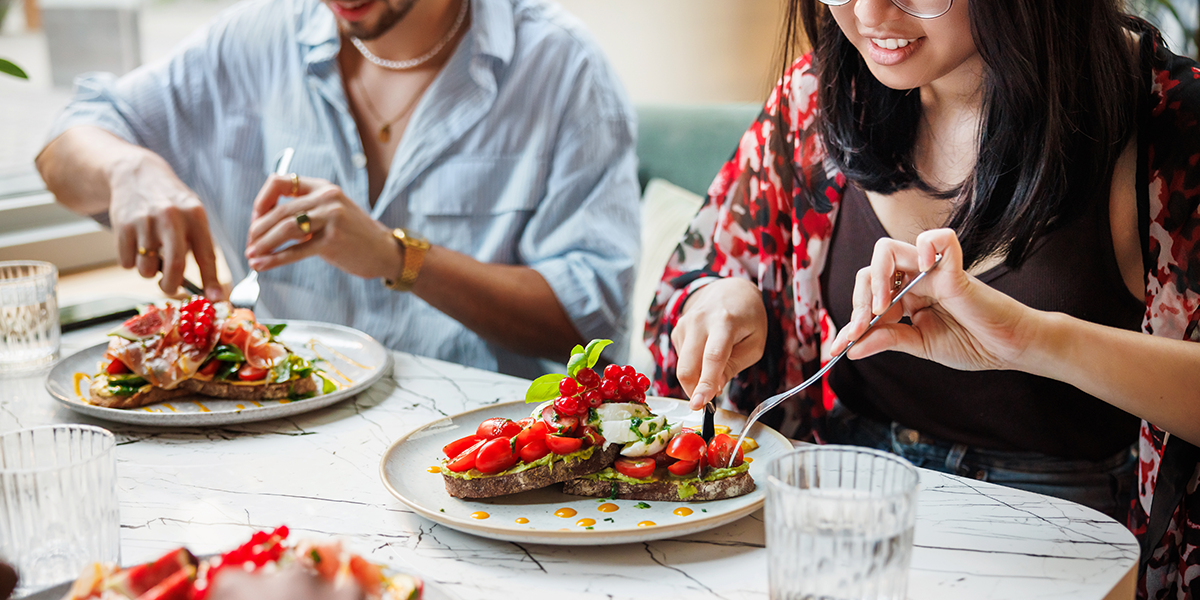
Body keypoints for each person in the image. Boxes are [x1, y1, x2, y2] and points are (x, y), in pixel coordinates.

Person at [645, 0, 1200, 596]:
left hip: (1065, 522)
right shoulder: (821, 94)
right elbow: (695, 283)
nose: (867, 12)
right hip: (841, 493)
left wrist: (1034, 340)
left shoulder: (1168, 120)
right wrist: (731, 299)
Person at [36, 0, 640, 378]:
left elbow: (589, 324)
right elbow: (65, 147)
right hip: (280, 432)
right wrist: (126, 169)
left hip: (484, 453)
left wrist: (396, 257)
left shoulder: (563, 68)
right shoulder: (254, 39)